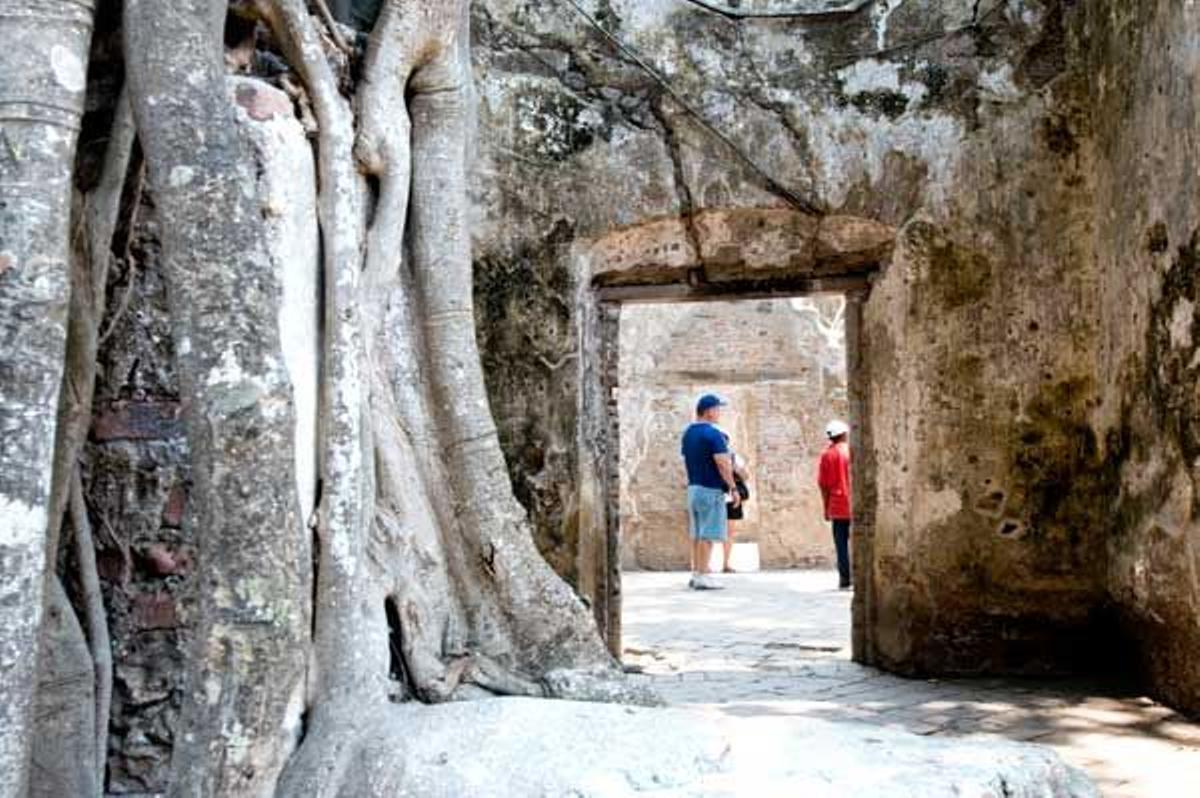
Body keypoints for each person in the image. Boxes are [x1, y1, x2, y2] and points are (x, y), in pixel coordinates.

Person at [681, 394, 741, 590]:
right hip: (710, 488)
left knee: (697, 534)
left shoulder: (688, 433)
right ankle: (704, 574)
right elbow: (723, 463)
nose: (719, 413)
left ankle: (697, 573)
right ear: (708, 411)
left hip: (693, 488)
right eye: (717, 409)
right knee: (708, 534)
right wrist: (733, 487)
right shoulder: (713, 434)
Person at [817, 419, 852, 590]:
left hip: (837, 506)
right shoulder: (852, 452)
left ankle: (845, 578)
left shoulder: (826, 455)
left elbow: (823, 485)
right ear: (844, 434)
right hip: (854, 505)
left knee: (841, 545)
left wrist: (826, 508)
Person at [719, 433, 750, 573]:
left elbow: (746, 476)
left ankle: (725, 563)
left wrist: (735, 469)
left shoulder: (734, 457)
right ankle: (705, 564)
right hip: (717, 495)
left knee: (729, 531)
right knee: (711, 530)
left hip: (731, 497)